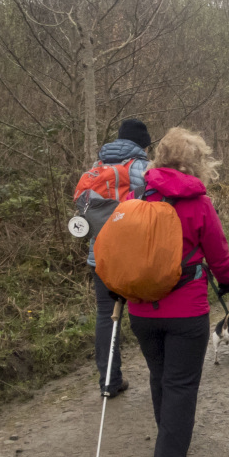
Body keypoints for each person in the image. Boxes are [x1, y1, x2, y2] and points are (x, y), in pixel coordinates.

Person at [126, 127, 229, 457]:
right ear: (196, 162)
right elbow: (217, 251)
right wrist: (227, 281)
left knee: (161, 378)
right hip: (186, 311)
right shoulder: (198, 202)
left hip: (142, 309)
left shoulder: (139, 194)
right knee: (181, 384)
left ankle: (167, 443)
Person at [83, 119, 151, 398]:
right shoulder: (146, 170)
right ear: (144, 144)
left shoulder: (95, 169)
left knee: (105, 316)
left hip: (100, 257)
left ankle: (109, 381)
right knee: (147, 312)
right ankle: (161, 376)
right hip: (136, 257)